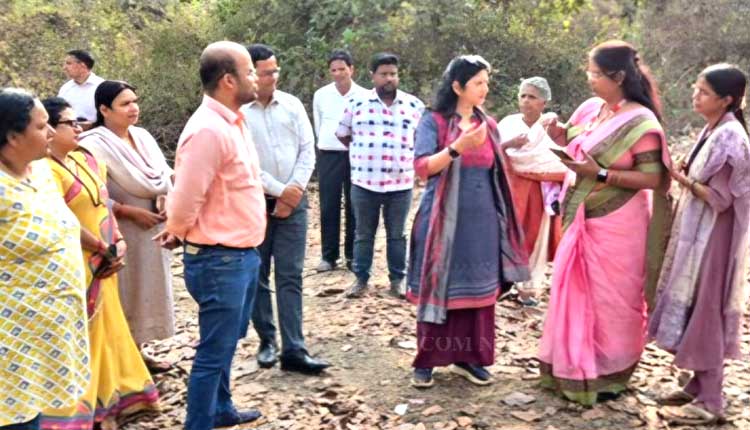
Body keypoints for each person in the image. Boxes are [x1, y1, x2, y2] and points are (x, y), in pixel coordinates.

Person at [537, 40, 672, 405]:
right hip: (580, 218)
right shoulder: (591, 108)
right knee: (577, 292)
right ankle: (569, 367)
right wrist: (556, 133)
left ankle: (608, 371)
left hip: (619, 224)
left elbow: (654, 178)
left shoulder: (641, 122)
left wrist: (600, 175)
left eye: (595, 73)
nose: (589, 78)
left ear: (619, 77)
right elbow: (575, 143)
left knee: (612, 300)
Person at [406, 56, 529, 388]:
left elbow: (497, 173)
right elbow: (422, 168)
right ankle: (427, 360)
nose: (485, 89)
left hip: (481, 223)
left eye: (487, 82)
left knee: (478, 291)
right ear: (458, 87)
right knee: (441, 286)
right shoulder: (433, 121)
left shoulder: (488, 125)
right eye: (478, 83)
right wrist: (457, 147)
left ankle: (469, 358)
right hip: (441, 222)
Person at [162, 41, 265, 430]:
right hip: (220, 259)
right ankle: (199, 423)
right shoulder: (207, 130)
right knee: (212, 352)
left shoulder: (233, 122)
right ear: (228, 80)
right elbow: (187, 194)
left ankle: (221, 410)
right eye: (249, 71)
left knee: (225, 343)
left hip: (240, 255)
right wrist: (177, 230)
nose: (256, 78)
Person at [40, 97, 159, 429]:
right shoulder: (45, 171)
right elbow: (60, 219)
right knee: (86, 335)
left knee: (110, 328)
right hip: (77, 261)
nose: (78, 128)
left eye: (78, 121)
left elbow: (104, 203)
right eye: (69, 123)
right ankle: (83, 409)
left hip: (105, 256)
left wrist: (117, 239)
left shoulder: (85, 160)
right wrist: (100, 248)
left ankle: (117, 397)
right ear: (49, 129)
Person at [649, 64, 750, 425]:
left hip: (714, 239)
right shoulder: (714, 129)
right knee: (696, 306)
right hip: (703, 235)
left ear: (726, 100)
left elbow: (720, 199)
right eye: (696, 88)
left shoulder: (730, 137)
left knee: (707, 308)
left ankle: (711, 401)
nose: (696, 95)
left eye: (704, 92)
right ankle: (697, 385)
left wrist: (681, 178)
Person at [0, 88, 89, 430]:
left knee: (37, 412)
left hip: (49, 332)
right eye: (41, 126)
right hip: (10, 340)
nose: (51, 132)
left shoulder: (41, 171)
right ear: (12, 136)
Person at [241, 44, 329, 374]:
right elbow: (245, 163)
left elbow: (308, 149)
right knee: (257, 274)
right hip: (255, 204)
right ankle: (267, 340)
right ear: (250, 74)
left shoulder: (292, 105)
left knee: (290, 275)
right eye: (266, 73)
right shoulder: (238, 113)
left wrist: (294, 192)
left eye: (275, 71)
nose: (273, 77)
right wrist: (282, 192)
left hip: (295, 203)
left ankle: (295, 348)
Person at [78, 80, 175, 369]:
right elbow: (87, 193)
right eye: (125, 104)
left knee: (147, 289)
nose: (133, 108)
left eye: (135, 101)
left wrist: (165, 196)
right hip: (118, 228)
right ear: (104, 109)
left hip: (152, 226)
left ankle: (139, 351)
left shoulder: (142, 136)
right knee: (123, 290)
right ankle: (120, 362)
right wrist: (127, 211)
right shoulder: (91, 145)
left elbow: (163, 174)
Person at [336, 52, 424, 299]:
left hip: (400, 183)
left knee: (398, 235)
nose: (389, 79)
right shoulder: (357, 104)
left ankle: (398, 280)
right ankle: (361, 279)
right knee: (364, 234)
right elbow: (342, 134)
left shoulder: (413, 105)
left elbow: (422, 139)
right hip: (365, 182)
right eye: (383, 74)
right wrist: (363, 154)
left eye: (393, 74)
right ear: (372, 76)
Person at [498, 77, 567, 306]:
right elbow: (492, 152)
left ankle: (529, 289)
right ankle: (503, 283)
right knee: (508, 234)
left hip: (541, 192)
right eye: (523, 96)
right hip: (510, 190)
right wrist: (509, 144)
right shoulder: (507, 124)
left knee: (537, 238)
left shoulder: (552, 128)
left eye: (532, 97)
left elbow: (559, 160)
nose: (526, 101)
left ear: (543, 102)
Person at [313, 49, 366, 272]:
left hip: (355, 154)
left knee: (355, 205)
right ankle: (329, 256)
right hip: (328, 154)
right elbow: (319, 124)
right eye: (333, 70)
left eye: (342, 69)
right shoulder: (321, 95)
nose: (338, 74)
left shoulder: (364, 95)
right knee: (329, 205)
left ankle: (353, 256)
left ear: (351, 69)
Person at [58, 50, 105, 125]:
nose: (64, 68)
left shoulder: (102, 86)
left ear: (83, 65)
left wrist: (91, 125)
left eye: (69, 63)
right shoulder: (65, 88)